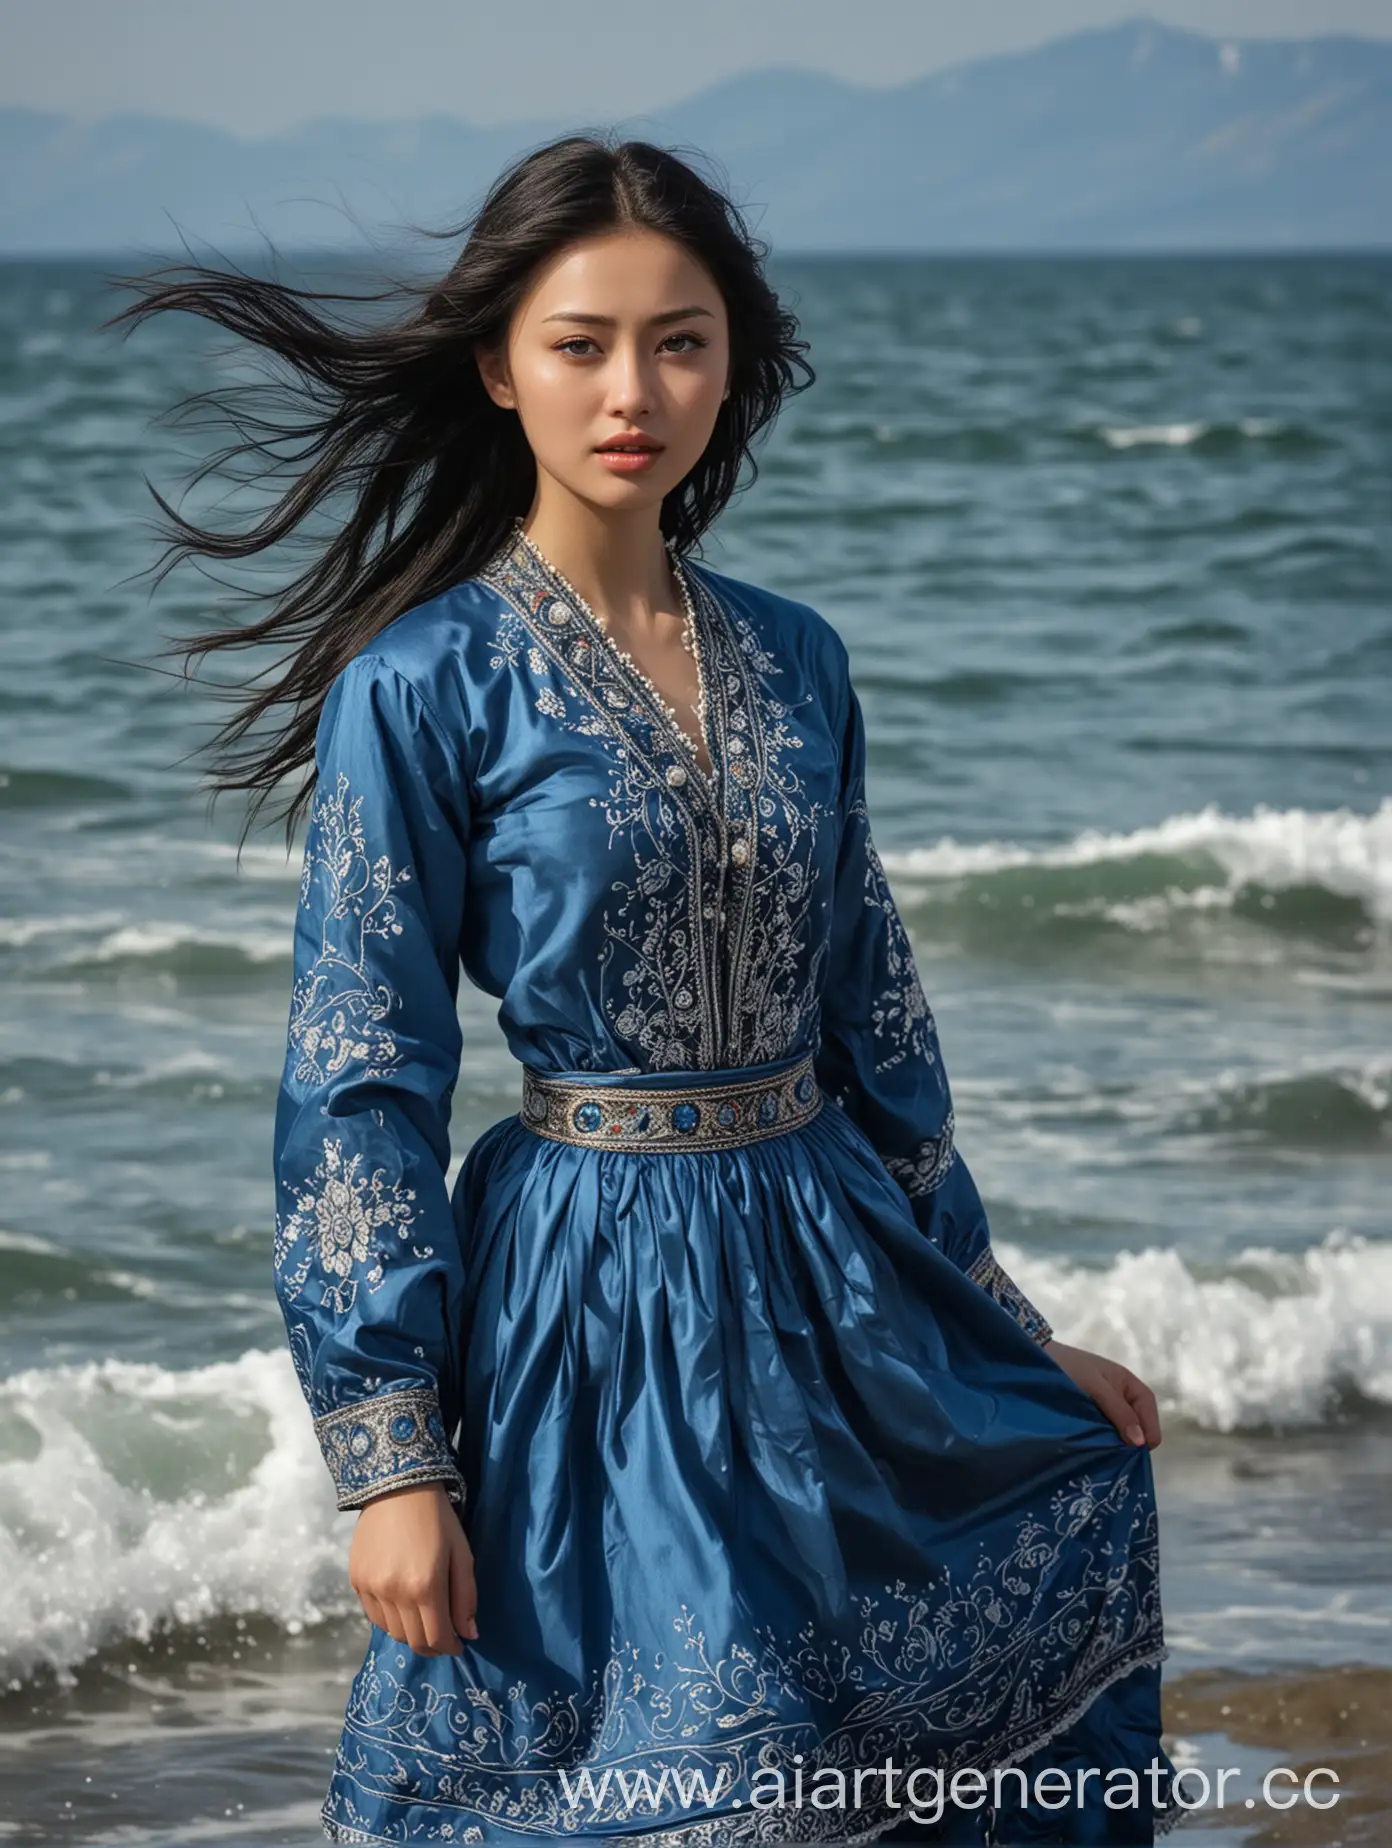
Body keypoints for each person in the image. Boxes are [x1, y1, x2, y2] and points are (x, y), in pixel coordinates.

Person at [109, 135, 1179, 1845]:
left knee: (898, 1723)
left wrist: (1005, 1323)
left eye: (680, 340)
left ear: (731, 362)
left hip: (833, 1281)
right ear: (498, 367)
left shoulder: (801, 657)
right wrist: (389, 1460)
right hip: (590, 1313)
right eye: (582, 343)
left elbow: (879, 1026)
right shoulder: (423, 685)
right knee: (694, 1786)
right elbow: (359, 1078)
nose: (635, 389)